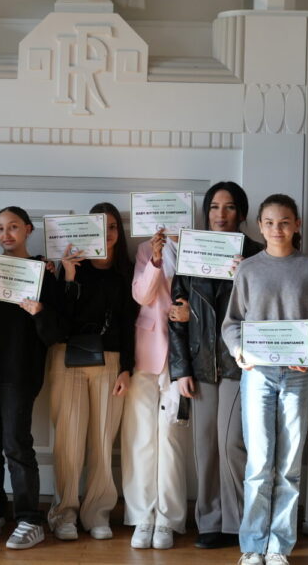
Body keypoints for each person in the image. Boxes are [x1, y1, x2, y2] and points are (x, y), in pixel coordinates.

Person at [222, 194, 308, 565]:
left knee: (288, 463)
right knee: (259, 461)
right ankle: (253, 545)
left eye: (284, 222)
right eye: (269, 222)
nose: (277, 229)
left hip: (299, 377)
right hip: (257, 375)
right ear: (259, 226)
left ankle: (279, 546)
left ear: (297, 225)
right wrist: (240, 351)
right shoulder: (248, 269)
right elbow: (232, 323)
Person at [168, 181, 261, 550]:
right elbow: (177, 316)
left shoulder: (257, 253)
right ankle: (209, 521)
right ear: (206, 212)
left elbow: (267, 309)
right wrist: (181, 369)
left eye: (229, 207)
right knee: (204, 447)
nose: (221, 215)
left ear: (241, 212)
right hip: (200, 364)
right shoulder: (191, 252)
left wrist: (247, 277)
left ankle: (237, 524)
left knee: (231, 445)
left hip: (240, 364)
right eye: (214, 207)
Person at [0, 206, 64, 550]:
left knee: (16, 444)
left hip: (20, 371)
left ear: (27, 229)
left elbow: (54, 333)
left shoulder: (44, 273)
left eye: (12, 227)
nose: (5, 234)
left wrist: (40, 310)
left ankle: (29, 518)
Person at [47, 202, 137, 541]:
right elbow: (56, 319)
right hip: (67, 357)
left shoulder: (126, 271)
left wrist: (127, 369)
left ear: (119, 232)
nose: (107, 233)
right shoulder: (72, 266)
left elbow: (131, 325)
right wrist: (68, 275)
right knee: (68, 442)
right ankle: (64, 513)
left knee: (102, 441)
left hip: (111, 361)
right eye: (99, 226)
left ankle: (97, 512)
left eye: (112, 226)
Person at [121, 226, 191, 550]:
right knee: (141, 438)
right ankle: (142, 516)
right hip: (146, 351)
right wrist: (157, 259)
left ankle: (168, 518)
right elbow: (141, 296)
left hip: (183, 355)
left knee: (171, 439)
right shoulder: (145, 251)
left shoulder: (196, 247)